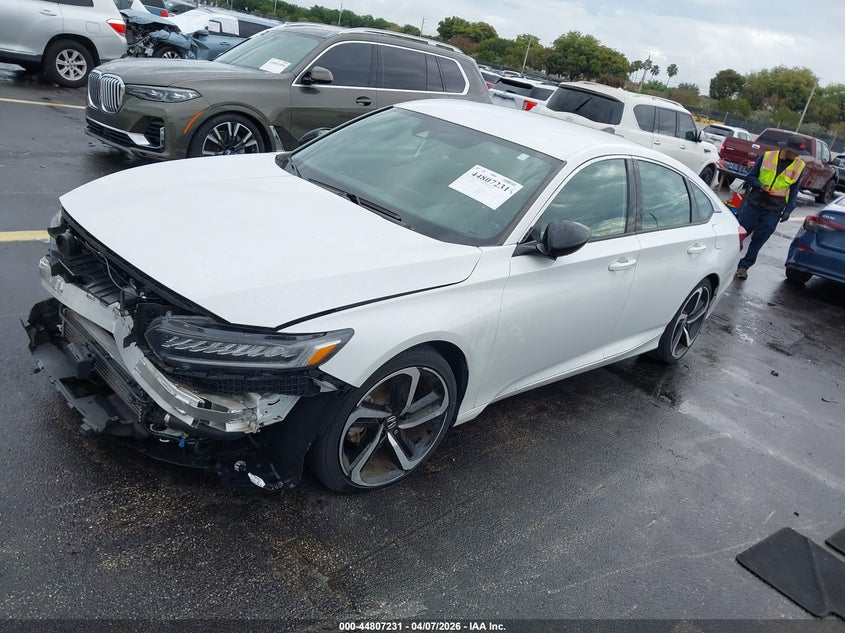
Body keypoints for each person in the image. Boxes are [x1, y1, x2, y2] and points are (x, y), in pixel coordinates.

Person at [734, 135, 807, 279]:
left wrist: (789, 210)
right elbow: (751, 177)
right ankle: (729, 254)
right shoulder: (766, 157)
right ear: (786, 149)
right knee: (740, 232)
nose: (796, 156)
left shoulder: (799, 166)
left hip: (774, 208)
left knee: (760, 237)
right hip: (755, 202)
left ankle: (744, 266)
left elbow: (794, 190)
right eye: (794, 152)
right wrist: (760, 185)